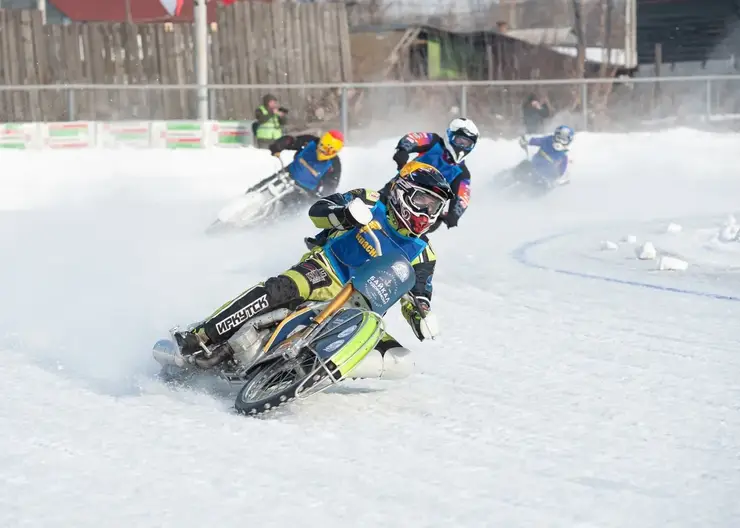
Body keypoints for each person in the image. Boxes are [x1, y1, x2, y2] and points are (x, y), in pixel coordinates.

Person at [174, 161, 453, 380]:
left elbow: (419, 291)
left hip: (364, 308)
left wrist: (421, 315)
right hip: (326, 271)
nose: (427, 214)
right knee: (277, 291)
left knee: (399, 359)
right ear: (403, 191)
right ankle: (202, 335)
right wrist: (344, 215)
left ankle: (307, 372)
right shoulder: (369, 200)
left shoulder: (424, 253)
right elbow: (319, 210)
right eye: (422, 202)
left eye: (435, 207)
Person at [386, 118, 479, 231]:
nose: (462, 147)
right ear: (449, 135)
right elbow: (414, 138)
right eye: (459, 141)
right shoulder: (434, 142)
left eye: (467, 144)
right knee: (374, 204)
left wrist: (453, 215)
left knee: (422, 231)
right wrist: (403, 150)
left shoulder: (462, 174)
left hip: (426, 213)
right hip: (398, 191)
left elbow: (462, 198)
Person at [267, 129, 344, 199]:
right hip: (286, 175)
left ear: (334, 152)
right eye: (321, 146)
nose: (322, 151)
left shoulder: (334, 165)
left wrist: (322, 198)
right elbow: (291, 141)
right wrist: (279, 145)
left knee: (287, 210)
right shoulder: (310, 142)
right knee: (264, 187)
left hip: (305, 193)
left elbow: (330, 186)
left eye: (327, 150)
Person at [517, 124, 574, 189]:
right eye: (558, 138)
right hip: (533, 166)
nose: (560, 142)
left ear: (568, 142)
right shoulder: (548, 140)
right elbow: (537, 140)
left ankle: (524, 195)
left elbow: (561, 172)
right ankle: (508, 177)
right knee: (524, 164)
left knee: (541, 187)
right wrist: (527, 141)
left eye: (564, 140)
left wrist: (557, 180)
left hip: (545, 178)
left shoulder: (564, 157)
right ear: (555, 136)